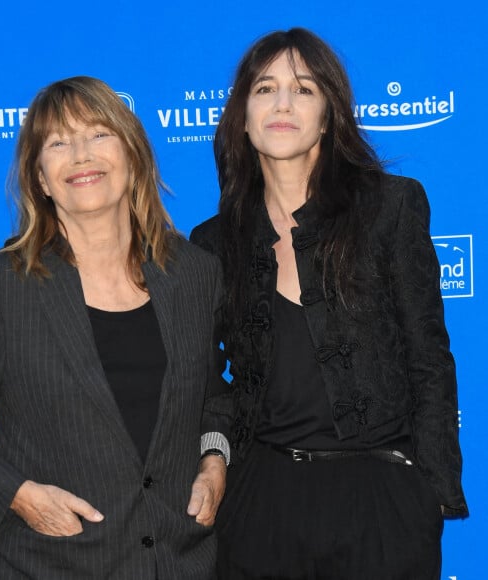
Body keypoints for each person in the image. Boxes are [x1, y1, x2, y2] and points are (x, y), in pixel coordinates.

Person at [0, 76, 230, 580]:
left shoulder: (193, 273)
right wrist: (18, 496)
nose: (81, 155)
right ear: (39, 177)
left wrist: (215, 460)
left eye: (99, 134)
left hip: (180, 563)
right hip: (48, 565)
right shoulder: (0, 286)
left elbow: (213, 397)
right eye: (58, 143)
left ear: (133, 156)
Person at [190, 28, 467, 580]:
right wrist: (216, 461)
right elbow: (204, 379)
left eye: (304, 89)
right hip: (259, 504)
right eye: (265, 89)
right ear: (241, 118)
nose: (283, 104)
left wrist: (429, 495)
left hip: (381, 499)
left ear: (329, 114)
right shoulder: (213, 242)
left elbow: (429, 360)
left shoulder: (391, 208)